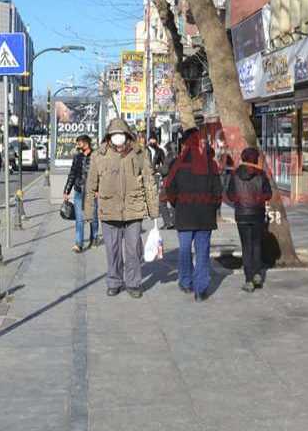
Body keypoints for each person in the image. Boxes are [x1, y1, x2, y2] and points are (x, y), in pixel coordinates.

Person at [86, 118, 160, 299]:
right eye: (114, 134)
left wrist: (154, 210)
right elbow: (91, 185)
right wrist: (88, 212)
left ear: (127, 135)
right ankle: (114, 281)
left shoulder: (140, 153)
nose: (118, 138)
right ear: (109, 136)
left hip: (133, 210)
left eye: (121, 134)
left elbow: (149, 182)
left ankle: (134, 283)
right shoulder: (98, 155)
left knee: (133, 250)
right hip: (109, 209)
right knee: (112, 250)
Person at [164, 128, 223, 302]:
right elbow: (218, 191)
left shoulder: (178, 163)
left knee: (184, 250)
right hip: (205, 216)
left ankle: (186, 281)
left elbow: (170, 188)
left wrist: (177, 204)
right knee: (202, 251)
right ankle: (201, 288)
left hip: (184, 214)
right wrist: (212, 207)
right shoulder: (210, 164)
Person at [226, 147, 273, 292]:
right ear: (255, 159)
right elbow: (268, 194)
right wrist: (258, 199)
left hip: (241, 214)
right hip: (257, 213)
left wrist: (239, 200)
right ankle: (257, 273)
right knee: (256, 244)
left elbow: (230, 195)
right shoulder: (261, 174)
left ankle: (248, 280)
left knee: (246, 247)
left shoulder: (235, 174)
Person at [64, 135, 98, 253]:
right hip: (79, 191)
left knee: (93, 218)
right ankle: (79, 244)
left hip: (92, 192)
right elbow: (72, 174)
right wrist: (66, 190)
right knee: (79, 219)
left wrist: (98, 190)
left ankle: (94, 238)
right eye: (77, 142)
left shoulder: (96, 156)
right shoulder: (77, 157)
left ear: (86, 143)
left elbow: (100, 174)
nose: (78, 144)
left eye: (80, 142)